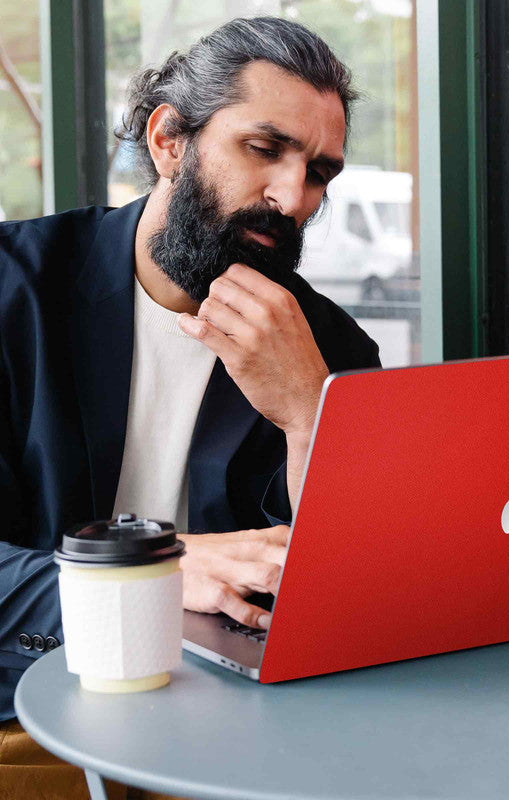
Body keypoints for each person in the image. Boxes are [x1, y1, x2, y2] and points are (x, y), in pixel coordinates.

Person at [0, 16, 380, 797]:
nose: (293, 197)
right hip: (26, 711)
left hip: (246, 736)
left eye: (319, 173)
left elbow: (354, 591)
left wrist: (311, 416)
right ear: (169, 139)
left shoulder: (332, 351)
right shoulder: (12, 289)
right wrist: (143, 583)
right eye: (265, 149)